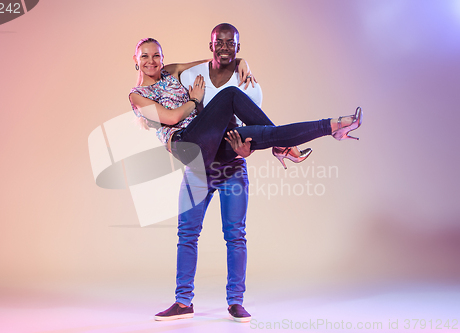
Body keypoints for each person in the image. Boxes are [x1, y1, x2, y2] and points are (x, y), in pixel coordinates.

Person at [129, 27, 362, 322]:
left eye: (157, 55)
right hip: (191, 150)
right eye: (145, 57)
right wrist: (196, 100)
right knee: (187, 234)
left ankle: (331, 126)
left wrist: (243, 63)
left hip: (225, 156)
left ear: (164, 58)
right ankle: (183, 302)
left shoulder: (175, 72)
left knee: (237, 230)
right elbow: (173, 118)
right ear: (136, 61)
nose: (152, 61)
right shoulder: (137, 95)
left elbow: (214, 58)